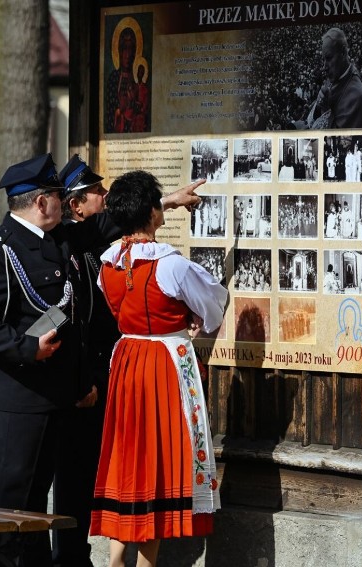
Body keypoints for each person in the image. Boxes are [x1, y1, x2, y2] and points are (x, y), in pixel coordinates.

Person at [0, 153, 202, 566]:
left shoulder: (58, 239)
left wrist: (169, 202)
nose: (65, 202)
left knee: (41, 514)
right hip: (18, 402)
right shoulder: (1, 250)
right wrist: (27, 347)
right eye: (58, 195)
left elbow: (103, 225)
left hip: (57, 400)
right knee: (9, 508)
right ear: (42, 203)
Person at [89, 170, 227, 567]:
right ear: (153, 211)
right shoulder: (171, 265)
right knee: (158, 456)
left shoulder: (108, 263)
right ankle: (147, 562)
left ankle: (117, 556)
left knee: (129, 452)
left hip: (128, 359)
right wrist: (196, 321)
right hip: (165, 363)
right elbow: (215, 303)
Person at [51, 155, 120, 567]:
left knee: (87, 472)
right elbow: (62, 316)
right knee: (73, 475)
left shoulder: (90, 247)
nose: (105, 196)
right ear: (76, 206)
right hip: (80, 380)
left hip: (97, 372)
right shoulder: (68, 247)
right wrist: (79, 380)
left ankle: (75, 555)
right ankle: (69, 557)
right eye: (97, 192)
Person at [307, 27, 362, 130]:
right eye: (323, 60)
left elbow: (342, 142)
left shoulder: (356, 96)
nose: (324, 67)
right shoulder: (337, 77)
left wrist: (325, 111)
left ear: (342, 53)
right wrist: (320, 106)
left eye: (329, 58)